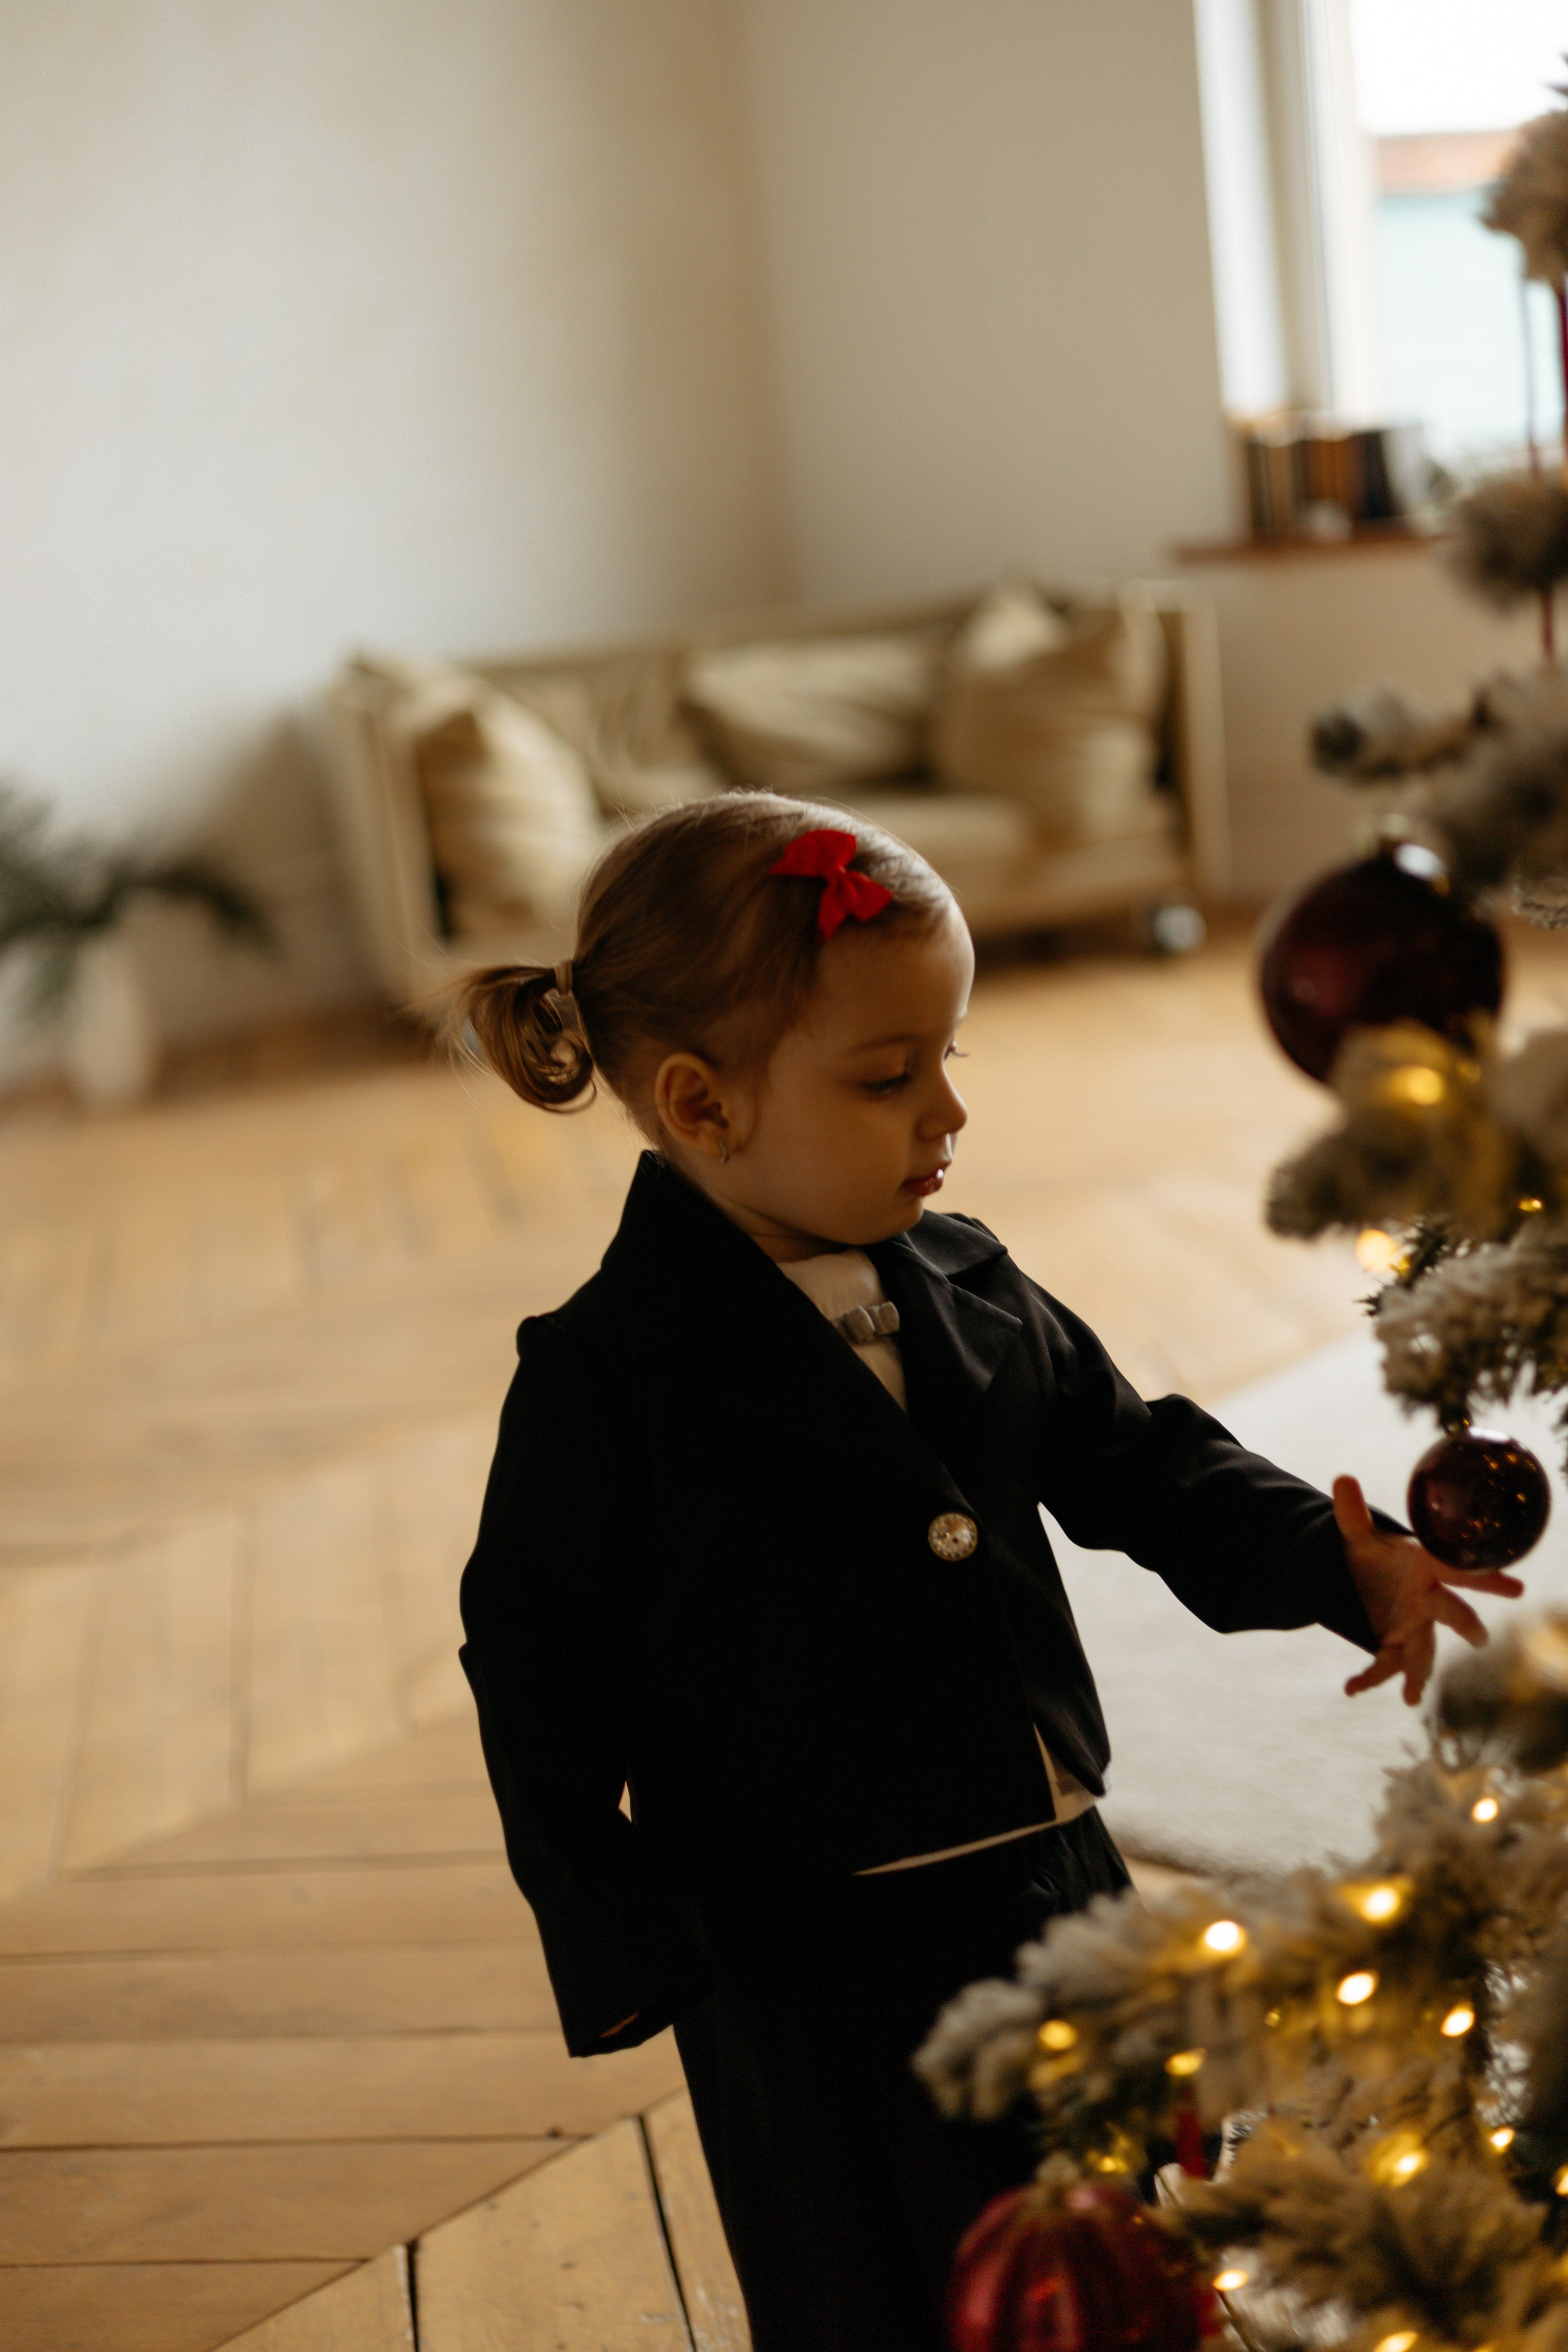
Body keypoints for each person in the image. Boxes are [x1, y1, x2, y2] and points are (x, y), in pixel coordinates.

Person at [454, 793, 1520, 2352]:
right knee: (871, 2277)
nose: (944, 1112)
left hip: (1045, 1874)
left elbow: (1135, 1458)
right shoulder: (607, 1378)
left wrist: (1329, 1558)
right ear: (697, 1104)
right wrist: (610, 1934)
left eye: (950, 1057)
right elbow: (531, 1665)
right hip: (811, 1951)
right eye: (890, 1076)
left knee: (1122, 2214)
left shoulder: (966, 1281)